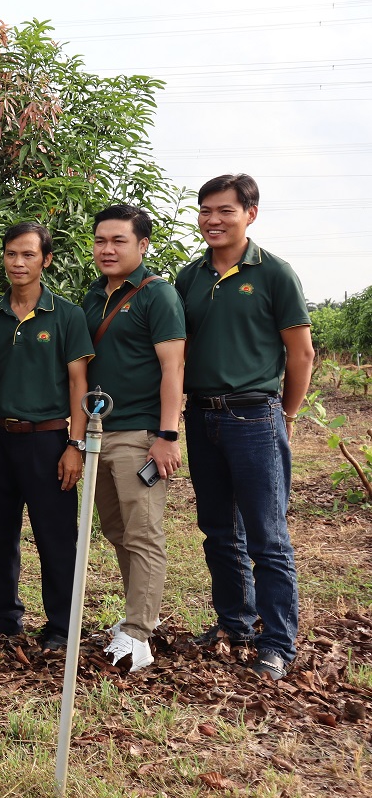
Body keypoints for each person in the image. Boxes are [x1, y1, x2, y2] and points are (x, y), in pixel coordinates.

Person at [175, 174, 312, 681]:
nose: (213, 220)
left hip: (254, 415)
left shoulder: (274, 273)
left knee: (267, 536)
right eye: (205, 210)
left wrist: (288, 415)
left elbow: (301, 353)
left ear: (250, 214)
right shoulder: (189, 278)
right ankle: (235, 624)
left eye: (225, 211)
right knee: (217, 531)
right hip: (202, 415)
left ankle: (277, 643)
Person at [0, 222, 94, 653]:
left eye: (28, 255)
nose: (18, 263)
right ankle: (4, 617)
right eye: (11, 254)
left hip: (48, 442)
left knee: (56, 537)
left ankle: (62, 625)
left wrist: (74, 446)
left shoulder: (66, 315)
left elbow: (79, 383)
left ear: (46, 259)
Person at [82, 204, 186, 674]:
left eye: (119, 241)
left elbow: (173, 368)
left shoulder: (156, 295)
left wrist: (166, 434)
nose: (107, 249)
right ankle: (136, 617)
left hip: (140, 433)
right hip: (98, 434)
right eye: (101, 240)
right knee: (117, 530)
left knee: (143, 532)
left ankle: (140, 633)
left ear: (142, 245)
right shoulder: (92, 298)